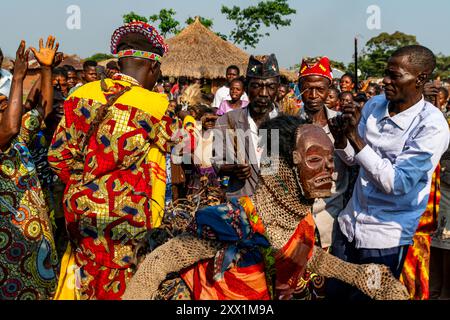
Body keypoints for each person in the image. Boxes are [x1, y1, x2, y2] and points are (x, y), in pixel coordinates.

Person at [122, 115, 410, 301]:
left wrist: (362, 276)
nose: (328, 170)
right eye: (314, 160)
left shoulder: (302, 224)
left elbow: (307, 256)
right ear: (287, 167)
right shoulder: (233, 220)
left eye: (329, 160)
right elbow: (159, 263)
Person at [48, 21, 178, 300]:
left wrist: (85, 188)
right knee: (121, 287)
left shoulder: (80, 94)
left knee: (83, 282)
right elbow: (172, 153)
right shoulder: (157, 106)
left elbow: (57, 157)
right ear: (153, 68)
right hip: (124, 220)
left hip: (79, 212)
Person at [328, 45, 450, 300]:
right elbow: (353, 160)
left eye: (395, 76)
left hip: (384, 240)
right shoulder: (374, 105)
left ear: (420, 79)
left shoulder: (432, 126)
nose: (386, 80)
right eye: (386, 73)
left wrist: (355, 139)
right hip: (348, 227)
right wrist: (341, 140)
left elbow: (397, 183)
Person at [0, 37, 60, 300]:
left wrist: (47, 70)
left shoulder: (18, 141)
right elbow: (10, 126)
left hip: (37, 239)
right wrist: (17, 78)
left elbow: (41, 112)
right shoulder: (5, 136)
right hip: (11, 242)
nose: (3, 99)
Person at [295, 57, 350, 299]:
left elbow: (355, 163)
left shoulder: (343, 122)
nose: (314, 94)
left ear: (330, 89)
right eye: (308, 87)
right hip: (295, 222)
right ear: (300, 87)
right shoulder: (281, 122)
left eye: (320, 88)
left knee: (328, 289)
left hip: (331, 220)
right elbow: (268, 169)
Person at [213, 54, 281, 200]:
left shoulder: (285, 124)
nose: (263, 94)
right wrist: (233, 168)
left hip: (277, 210)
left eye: (270, 87)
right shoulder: (227, 121)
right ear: (247, 88)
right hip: (241, 205)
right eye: (256, 86)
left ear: (277, 88)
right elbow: (217, 161)